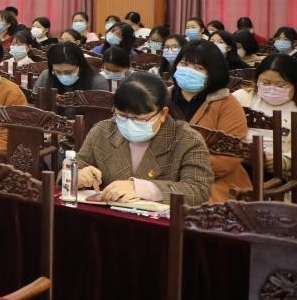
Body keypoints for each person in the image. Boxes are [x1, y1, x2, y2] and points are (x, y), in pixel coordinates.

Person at [74, 71, 213, 206]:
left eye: (139, 119)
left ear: (163, 113)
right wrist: (77, 176)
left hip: (161, 220)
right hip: (107, 216)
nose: (129, 124)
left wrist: (139, 188)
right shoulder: (103, 131)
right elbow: (76, 165)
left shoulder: (187, 140)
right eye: (122, 116)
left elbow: (198, 191)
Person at [168, 40, 250, 201]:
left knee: (182, 200)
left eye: (198, 68)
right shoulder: (162, 98)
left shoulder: (227, 103)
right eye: (184, 64)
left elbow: (231, 154)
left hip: (215, 180)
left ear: (213, 73)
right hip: (163, 175)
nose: (188, 71)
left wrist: (185, 170)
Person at [232, 55, 296, 177]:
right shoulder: (242, 97)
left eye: (280, 85)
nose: (272, 89)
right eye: (265, 83)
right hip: (238, 160)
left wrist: (286, 161)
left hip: (278, 171)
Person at [33, 42, 109, 93]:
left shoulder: (97, 82)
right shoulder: (46, 76)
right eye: (58, 72)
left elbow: (102, 111)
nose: (63, 75)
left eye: (68, 72)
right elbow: (35, 103)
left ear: (80, 66)